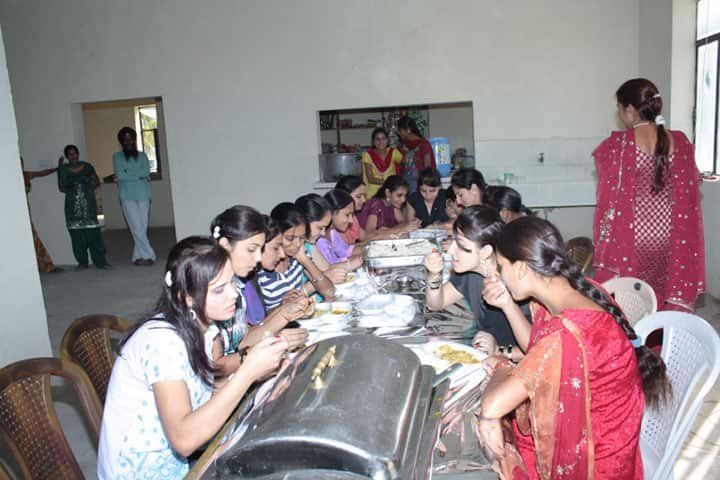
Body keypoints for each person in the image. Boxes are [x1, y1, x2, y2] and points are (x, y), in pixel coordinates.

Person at [476, 217, 670, 479]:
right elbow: (537, 346)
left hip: (595, 465)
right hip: (608, 442)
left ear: (521, 268)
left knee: (489, 437)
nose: (498, 275)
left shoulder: (567, 333)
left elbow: (493, 406)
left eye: (500, 266)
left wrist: (498, 364)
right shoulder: (576, 290)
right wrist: (507, 305)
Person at [98, 236, 289, 478]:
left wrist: (256, 377)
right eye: (219, 290)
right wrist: (248, 372)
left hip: (178, 462)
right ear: (186, 296)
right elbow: (185, 440)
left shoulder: (203, 328)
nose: (234, 294)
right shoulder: (162, 342)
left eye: (231, 282)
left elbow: (207, 395)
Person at [593, 78, 705, 312]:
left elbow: (607, 198)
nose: (619, 114)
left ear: (630, 110)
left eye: (619, 108)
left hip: (632, 241)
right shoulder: (681, 142)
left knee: (631, 303)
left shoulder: (618, 145)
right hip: (671, 240)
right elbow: (692, 187)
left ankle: (634, 334)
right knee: (662, 295)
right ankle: (662, 333)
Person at [210, 206, 309, 376]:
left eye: (260, 250)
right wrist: (262, 352)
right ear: (225, 245)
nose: (257, 258)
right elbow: (215, 369)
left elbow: (243, 340)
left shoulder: (236, 284)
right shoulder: (209, 290)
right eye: (251, 249)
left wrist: (284, 313)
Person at [424, 206, 523, 353]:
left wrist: (499, 351)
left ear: (485, 252)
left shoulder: (516, 283)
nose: (450, 251)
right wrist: (434, 275)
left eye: (461, 246)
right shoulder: (469, 274)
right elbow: (435, 304)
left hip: (515, 360)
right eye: (453, 241)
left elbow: (537, 347)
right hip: (485, 352)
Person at [257, 202, 336, 310]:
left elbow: (329, 292)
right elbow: (260, 318)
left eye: (302, 238)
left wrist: (305, 260)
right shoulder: (261, 267)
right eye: (290, 238)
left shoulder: (296, 258)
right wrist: (282, 306)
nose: (297, 244)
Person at [57, 144, 108, 269]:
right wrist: (73, 187)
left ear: (78, 154)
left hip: (88, 206)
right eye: (70, 154)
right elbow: (61, 188)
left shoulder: (87, 166)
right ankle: (82, 263)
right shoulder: (63, 169)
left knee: (94, 235)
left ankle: (101, 262)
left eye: (75, 153)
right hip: (72, 207)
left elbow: (96, 182)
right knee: (77, 236)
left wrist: (87, 189)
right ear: (67, 156)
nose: (73, 156)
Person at [113, 126, 156, 266]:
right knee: (136, 227)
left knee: (141, 228)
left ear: (134, 139)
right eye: (125, 139)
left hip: (143, 194)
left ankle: (137, 256)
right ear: (121, 141)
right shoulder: (117, 157)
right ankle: (149, 255)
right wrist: (137, 175)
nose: (128, 141)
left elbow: (146, 172)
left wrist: (127, 174)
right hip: (127, 196)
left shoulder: (142, 155)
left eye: (130, 138)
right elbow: (120, 174)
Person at [295, 194, 348, 288]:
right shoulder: (292, 250)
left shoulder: (309, 245)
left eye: (325, 228)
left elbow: (327, 269)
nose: (323, 233)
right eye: (320, 228)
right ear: (305, 222)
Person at [21, 157, 62, 273]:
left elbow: (42, 173)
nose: (20, 165)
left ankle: (46, 265)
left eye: (21, 163)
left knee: (33, 238)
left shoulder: (26, 175)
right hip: (13, 215)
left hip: (26, 212)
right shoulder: (7, 178)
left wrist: (57, 168)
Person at [314, 189, 364, 271]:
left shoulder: (333, 233)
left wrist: (370, 248)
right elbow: (329, 268)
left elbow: (346, 251)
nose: (351, 220)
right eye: (347, 215)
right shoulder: (318, 240)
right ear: (332, 213)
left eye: (352, 215)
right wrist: (359, 260)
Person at [361, 127, 404, 198]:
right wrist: (389, 183)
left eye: (384, 139)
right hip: (373, 193)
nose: (381, 142)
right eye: (377, 139)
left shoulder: (393, 152)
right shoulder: (368, 155)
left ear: (387, 140)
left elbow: (406, 165)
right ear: (373, 141)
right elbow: (370, 178)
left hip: (390, 191)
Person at [397, 116, 435, 193]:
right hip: (405, 186)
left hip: (420, 186)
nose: (399, 133)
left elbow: (427, 169)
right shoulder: (402, 146)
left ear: (408, 130)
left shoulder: (424, 145)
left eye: (400, 130)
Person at [334, 175, 366, 243]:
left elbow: (364, 236)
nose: (364, 200)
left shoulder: (352, 216)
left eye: (364, 196)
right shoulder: (337, 219)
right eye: (358, 196)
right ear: (344, 196)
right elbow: (346, 248)